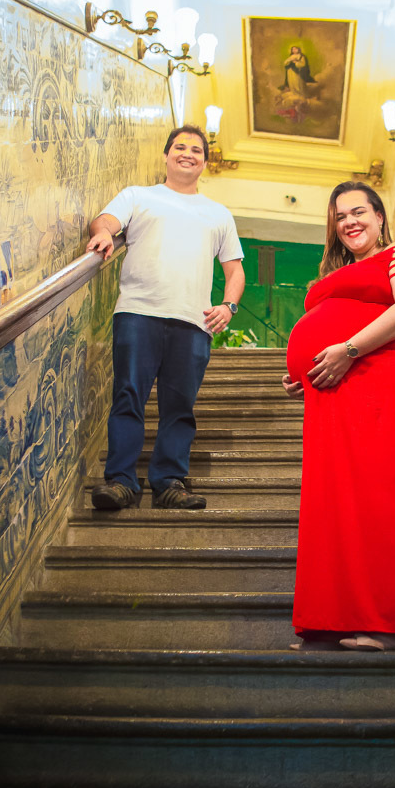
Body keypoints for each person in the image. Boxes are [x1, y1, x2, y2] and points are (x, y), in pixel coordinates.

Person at [282, 181, 395, 650]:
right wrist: (309, 370)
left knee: (386, 501)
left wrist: (348, 348)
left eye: (359, 212)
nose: (350, 222)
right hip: (338, 391)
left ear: (380, 216)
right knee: (336, 505)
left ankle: (394, 623)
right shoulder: (337, 274)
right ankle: (332, 618)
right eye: (340, 217)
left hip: (389, 383)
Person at [87, 125, 245, 512]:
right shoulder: (138, 196)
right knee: (128, 396)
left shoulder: (218, 213)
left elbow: (235, 270)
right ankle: (122, 482)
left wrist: (228, 306)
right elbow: (105, 220)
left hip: (194, 323)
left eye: (196, 149)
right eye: (180, 147)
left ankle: (169, 481)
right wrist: (104, 234)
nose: (187, 153)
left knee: (179, 406)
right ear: (166, 155)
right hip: (138, 312)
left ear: (205, 162)